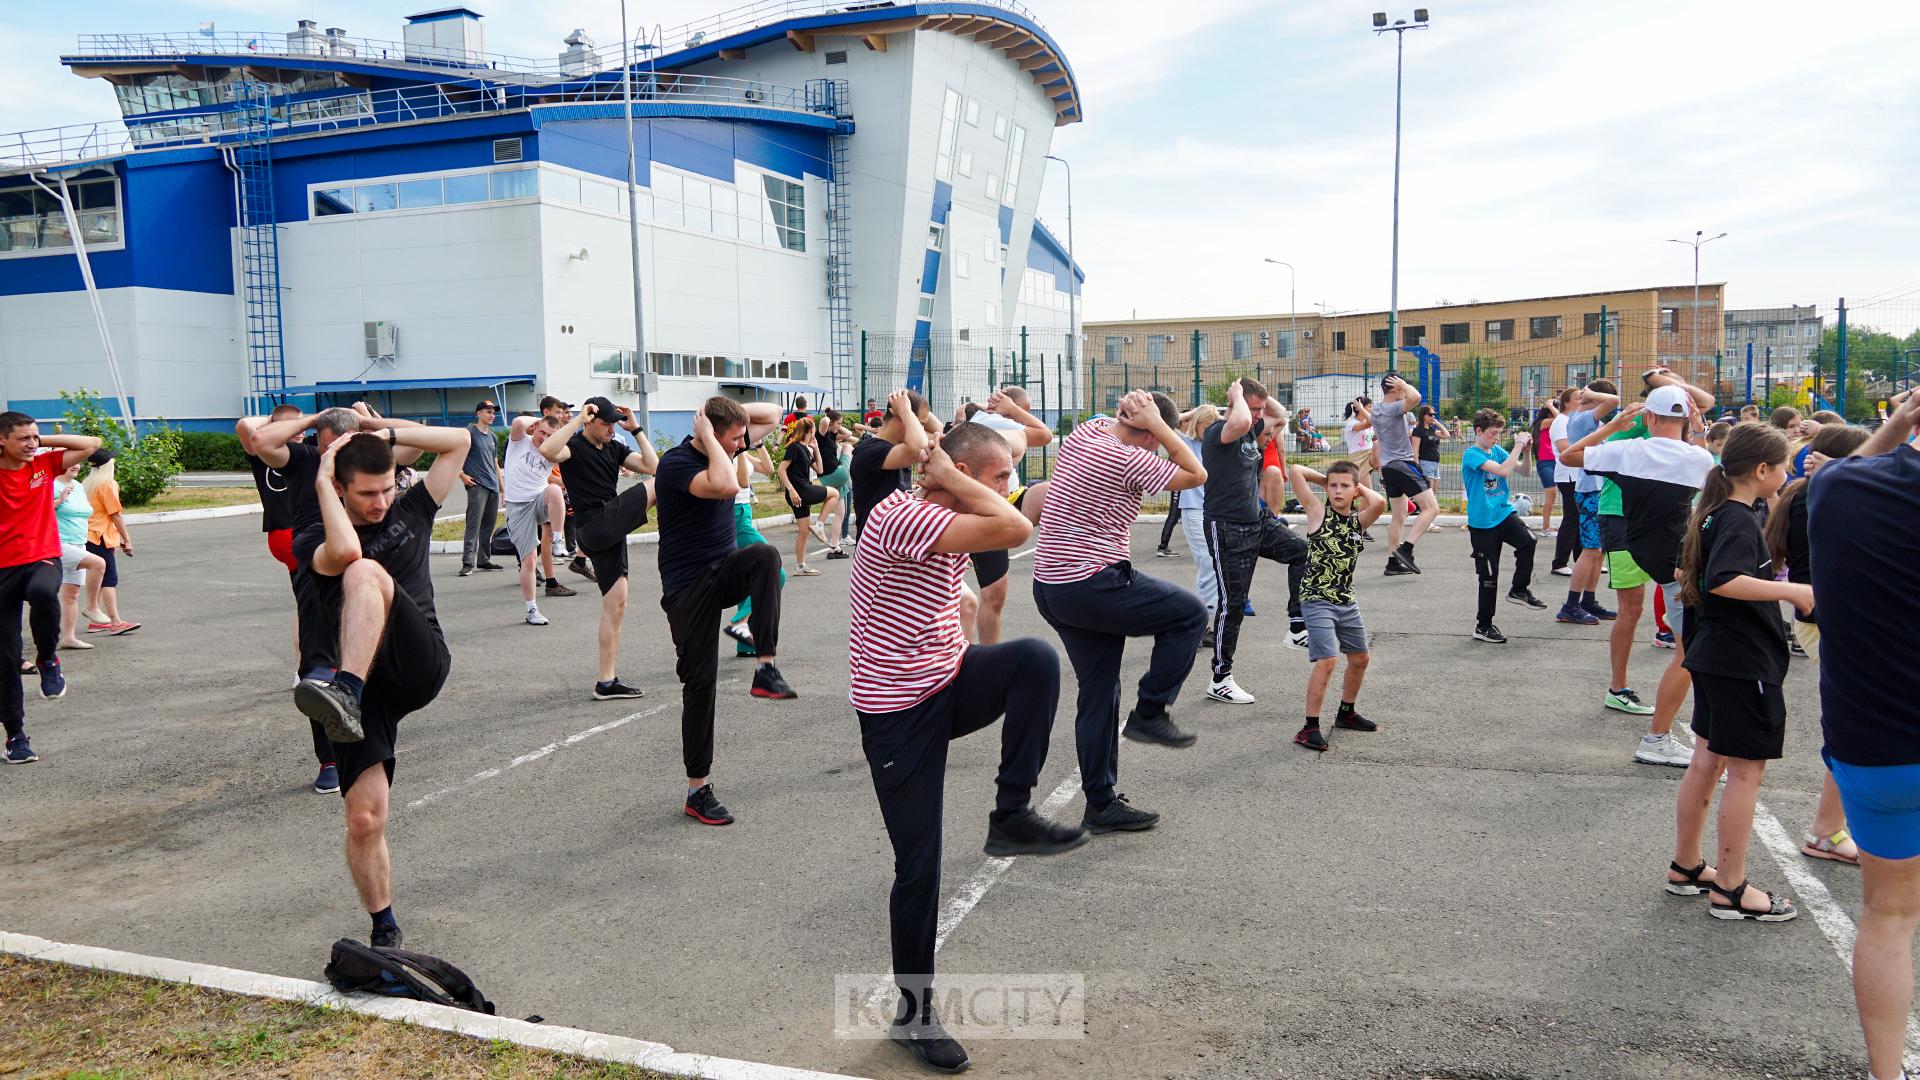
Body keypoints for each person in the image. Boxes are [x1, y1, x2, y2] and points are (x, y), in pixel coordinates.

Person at [849, 424, 1088, 1075]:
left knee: (1033, 659)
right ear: (958, 472)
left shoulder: (945, 506)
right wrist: (945, 470)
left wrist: (944, 464)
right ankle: (914, 1015)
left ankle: (1011, 814)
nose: (1009, 488)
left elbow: (999, 533)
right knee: (918, 867)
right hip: (897, 714)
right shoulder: (904, 516)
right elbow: (1015, 529)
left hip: (945, 680)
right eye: (1000, 475)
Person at [291, 421, 473, 949]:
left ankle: (343, 689)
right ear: (342, 489)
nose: (380, 501)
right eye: (366, 493)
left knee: (368, 573)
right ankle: (384, 924)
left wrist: (385, 429)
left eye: (388, 487)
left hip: (417, 662)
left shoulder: (411, 511)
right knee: (366, 818)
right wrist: (322, 481)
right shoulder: (313, 537)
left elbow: (459, 440)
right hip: (359, 700)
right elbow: (345, 554)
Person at [1807, 393, 1920, 1080]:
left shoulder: (1845, 490)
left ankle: (1887, 1072)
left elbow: (1835, 477)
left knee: (1889, 915)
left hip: (1879, 745)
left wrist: (1900, 423)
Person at [1031, 390, 1207, 834]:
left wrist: (1148, 415)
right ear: (1149, 433)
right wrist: (1164, 427)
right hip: (1090, 582)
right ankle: (1150, 713)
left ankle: (1102, 803)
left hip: (1052, 586)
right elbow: (1195, 472)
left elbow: (1115, 421)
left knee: (1100, 692)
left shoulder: (1087, 431)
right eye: (1157, 434)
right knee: (1188, 614)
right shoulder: (1127, 458)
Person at [1664, 422, 1805, 923]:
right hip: (1742, 662)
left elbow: (1696, 575)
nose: (1789, 473)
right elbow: (1724, 580)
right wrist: (1794, 592)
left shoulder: (1715, 515)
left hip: (1717, 657)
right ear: (1762, 470)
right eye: (1784, 465)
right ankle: (1730, 887)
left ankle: (1686, 865)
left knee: (1707, 761)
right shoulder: (1738, 520)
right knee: (1745, 772)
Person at [653, 396, 795, 826]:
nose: (741, 445)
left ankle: (765, 668)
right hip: (686, 587)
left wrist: (726, 416)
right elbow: (726, 485)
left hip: (722, 569)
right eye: (735, 440)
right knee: (701, 685)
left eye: (740, 439)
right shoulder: (676, 464)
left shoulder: (726, 444)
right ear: (711, 436)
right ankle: (698, 789)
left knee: (766, 556)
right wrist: (715, 440)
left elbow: (769, 414)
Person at [1562, 384, 1716, 769]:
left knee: (1675, 641)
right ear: (1686, 419)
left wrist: (1612, 426)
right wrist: (1697, 432)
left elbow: (1568, 455)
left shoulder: (1628, 450)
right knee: (1688, 653)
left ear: (1648, 417)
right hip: (1683, 560)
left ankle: (1644, 712)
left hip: (1646, 551)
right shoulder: (1699, 459)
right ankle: (1657, 737)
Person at [1765, 421, 1871, 867]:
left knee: (1857, 723)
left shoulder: (1817, 492)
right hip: (1828, 618)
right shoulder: (1822, 495)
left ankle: (1832, 826)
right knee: (1854, 725)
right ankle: (1826, 831)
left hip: (1827, 617)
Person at [1597, 369, 1716, 720]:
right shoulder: (1640, 422)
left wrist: (1674, 377)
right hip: (1620, 518)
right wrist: (1664, 379)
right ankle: (1618, 688)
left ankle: (1671, 640)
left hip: (1662, 526)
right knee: (1631, 608)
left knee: (1671, 593)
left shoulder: (1674, 422)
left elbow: (1703, 403)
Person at [539, 399, 658, 699]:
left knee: (616, 605)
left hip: (610, 530)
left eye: (615, 423)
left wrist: (637, 430)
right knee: (660, 486)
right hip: (596, 523)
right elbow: (548, 450)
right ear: (590, 421)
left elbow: (653, 466)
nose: (611, 428)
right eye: (606, 423)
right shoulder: (575, 448)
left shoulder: (615, 448)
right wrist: (577, 419)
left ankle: (606, 682)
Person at [1201, 378, 1308, 705]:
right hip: (1226, 527)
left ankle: (1297, 624)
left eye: (1260, 408)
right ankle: (1220, 678)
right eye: (1254, 407)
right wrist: (1234, 395)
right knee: (1233, 604)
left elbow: (1279, 415)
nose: (1261, 415)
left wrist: (1259, 397)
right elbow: (1243, 419)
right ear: (1235, 404)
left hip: (1256, 521)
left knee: (1303, 552)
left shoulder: (1250, 431)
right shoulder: (1218, 432)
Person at [1, 412, 100, 760]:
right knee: (6, 659)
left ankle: (48, 658)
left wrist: (41, 442)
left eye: (35, 437)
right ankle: (16, 737)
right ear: (1, 440)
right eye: (23, 439)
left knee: (43, 592)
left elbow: (92, 445)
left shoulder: (42, 465)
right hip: (2, 569)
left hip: (40, 556)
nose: (31, 444)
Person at [1285, 460, 1386, 751]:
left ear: (1355, 491)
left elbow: (1378, 501)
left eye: (1344, 486)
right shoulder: (1318, 514)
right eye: (1333, 486)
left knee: (1360, 659)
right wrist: (1325, 480)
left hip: (1345, 600)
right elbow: (1295, 471)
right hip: (1317, 599)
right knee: (1327, 660)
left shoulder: (1357, 523)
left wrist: (1355, 486)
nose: (1337, 491)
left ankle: (1346, 713)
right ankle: (1309, 727)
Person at [957, 388, 1052, 645]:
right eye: (1026, 410)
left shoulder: (983, 423)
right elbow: (1044, 434)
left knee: (1047, 493)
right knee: (989, 596)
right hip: (984, 508)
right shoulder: (1001, 422)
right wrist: (1012, 409)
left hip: (998, 502)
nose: (1026, 416)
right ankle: (982, 660)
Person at [1460, 409, 1543, 644]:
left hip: (1503, 513)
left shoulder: (1496, 450)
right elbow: (1503, 471)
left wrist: (1526, 452)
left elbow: (1525, 471)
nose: (1496, 437)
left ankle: (1519, 589)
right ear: (1479, 431)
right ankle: (1483, 625)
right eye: (1493, 433)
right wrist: (1517, 444)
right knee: (1489, 576)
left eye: (1499, 433)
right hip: (1482, 522)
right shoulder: (1472, 455)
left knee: (1529, 540)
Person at [1552, 381, 1621, 624]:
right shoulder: (1581, 419)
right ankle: (1570, 605)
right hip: (1589, 490)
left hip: (1596, 489)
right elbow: (1614, 401)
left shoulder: (1585, 419)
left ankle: (1588, 600)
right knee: (1591, 550)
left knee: (1598, 551)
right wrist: (1588, 394)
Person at [502, 413, 575, 627]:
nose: (544, 438)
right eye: (541, 432)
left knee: (553, 490)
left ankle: (558, 542)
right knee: (529, 560)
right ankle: (531, 609)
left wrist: (558, 435)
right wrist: (534, 421)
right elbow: (517, 423)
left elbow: (564, 453)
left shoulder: (552, 452)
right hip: (517, 507)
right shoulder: (519, 442)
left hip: (539, 500)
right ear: (535, 428)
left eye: (550, 435)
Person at [1372, 374, 1440, 575]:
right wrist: (1404, 385)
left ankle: (1392, 563)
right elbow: (1416, 398)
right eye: (1400, 388)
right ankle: (1406, 549)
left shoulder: (1376, 409)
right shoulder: (1392, 408)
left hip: (1389, 468)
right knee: (1431, 508)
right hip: (1402, 464)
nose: (1404, 392)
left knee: (1399, 515)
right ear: (1393, 388)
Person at [724, 443, 785, 657]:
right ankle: (739, 621)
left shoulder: (742, 454)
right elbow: (742, 480)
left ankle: (746, 645)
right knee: (777, 572)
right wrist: (740, 452)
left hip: (744, 512)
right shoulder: (727, 455)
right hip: (737, 516)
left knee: (748, 580)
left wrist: (759, 445)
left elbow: (768, 469)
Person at [850, 390, 933, 542]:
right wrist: (906, 410)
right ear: (900, 417)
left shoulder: (896, 450)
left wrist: (905, 402)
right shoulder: (870, 451)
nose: (921, 429)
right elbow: (920, 448)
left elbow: (937, 429)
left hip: (893, 547)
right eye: (920, 424)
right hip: (876, 552)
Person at [1174, 406, 1220, 643]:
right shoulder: (1187, 444)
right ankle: (1200, 624)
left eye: (1215, 425)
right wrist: (1193, 413)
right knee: (1208, 564)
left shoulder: (1218, 445)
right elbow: (1167, 424)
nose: (1212, 431)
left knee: (1213, 565)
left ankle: (1204, 623)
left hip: (1215, 511)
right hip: (1194, 510)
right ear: (1196, 424)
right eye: (1207, 426)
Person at [51, 459, 106, 652]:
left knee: (71, 594)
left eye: (78, 463)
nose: (75, 466)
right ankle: (92, 607)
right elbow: (36, 512)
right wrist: (59, 501)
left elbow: (83, 513)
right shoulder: (51, 485)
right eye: (71, 463)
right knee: (98, 564)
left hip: (78, 543)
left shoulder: (78, 486)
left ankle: (69, 638)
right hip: (58, 543)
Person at [82, 454, 139, 635]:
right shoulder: (108, 484)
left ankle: (97, 621)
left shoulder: (86, 483)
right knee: (109, 579)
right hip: (100, 535)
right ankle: (115, 621)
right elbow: (115, 514)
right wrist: (127, 538)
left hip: (88, 534)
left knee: (98, 577)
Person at [779, 416, 841, 575]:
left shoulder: (806, 448)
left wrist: (816, 448)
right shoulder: (794, 447)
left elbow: (820, 470)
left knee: (804, 531)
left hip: (800, 493)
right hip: (800, 491)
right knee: (834, 493)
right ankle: (819, 525)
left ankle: (800, 566)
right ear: (811, 430)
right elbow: (781, 470)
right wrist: (792, 490)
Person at [457, 400, 507, 578]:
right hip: (477, 486)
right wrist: (462, 476)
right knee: (473, 524)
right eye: (488, 411)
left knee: (488, 526)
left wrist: (502, 489)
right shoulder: (469, 433)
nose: (492, 415)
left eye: (493, 412)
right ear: (478, 413)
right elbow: (455, 457)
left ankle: (483, 560)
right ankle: (467, 562)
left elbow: (495, 465)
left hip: (493, 487)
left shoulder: (492, 437)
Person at [814, 409, 855, 550]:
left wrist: (837, 425)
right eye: (838, 423)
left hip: (830, 478)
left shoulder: (832, 436)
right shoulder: (821, 435)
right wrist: (828, 415)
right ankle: (854, 472)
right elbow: (824, 422)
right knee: (848, 447)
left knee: (840, 513)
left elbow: (848, 434)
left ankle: (834, 544)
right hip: (836, 474)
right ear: (831, 422)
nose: (839, 426)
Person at [1526, 403, 1559, 536]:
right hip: (1545, 462)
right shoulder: (1543, 422)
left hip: (1558, 461)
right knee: (1551, 493)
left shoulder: (1554, 423)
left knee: (1569, 493)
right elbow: (1560, 418)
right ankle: (1546, 527)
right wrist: (1551, 405)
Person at [1341, 396, 1376, 500]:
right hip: (1359, 458)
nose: (1372, 408)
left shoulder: (1369, 421)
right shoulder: (1351, 424)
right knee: (1367, 492)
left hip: (1370, 454)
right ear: (1358, 408)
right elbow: (1370, 422)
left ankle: (1385, 478)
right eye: (1369, 406)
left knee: (1379, 445)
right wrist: (1361, 408)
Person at [1411, 404, 1449, 488]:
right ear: (1423, 416)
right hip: (1425, 463)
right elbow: (1415, 449)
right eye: (1430, 414)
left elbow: (1446, 435)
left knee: (1433, 493)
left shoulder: (1432, 430)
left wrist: (1438, 423)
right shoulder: (1418, 430)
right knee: (1428, 493)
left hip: (1435, 463)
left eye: (1434, 414)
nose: (1433, 416)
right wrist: (1417, 466)